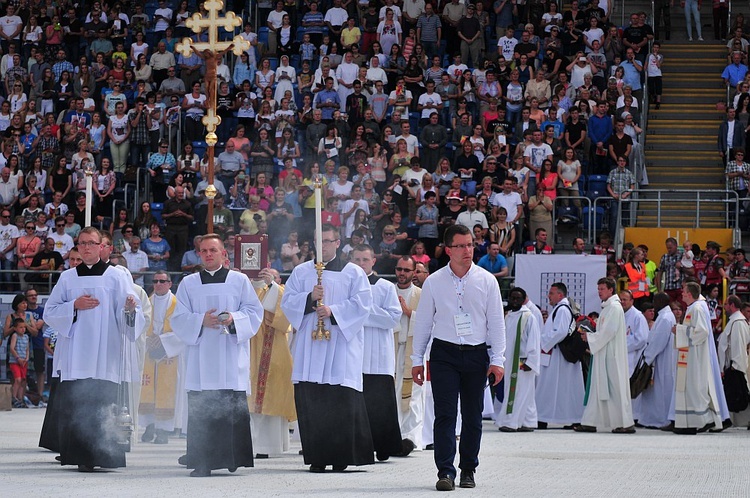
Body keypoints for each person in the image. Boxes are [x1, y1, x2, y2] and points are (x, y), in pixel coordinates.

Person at [411, 224, 505, 491]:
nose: (468, 250)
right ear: (448, 249)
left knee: (473, 415)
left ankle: (468, 469)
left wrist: (498, 359)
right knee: (445, 415)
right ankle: (445, 471)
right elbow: (423, 323)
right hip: (444, 353)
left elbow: (496, 323)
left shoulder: (487, 280)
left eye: (470, 244)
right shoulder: (434, 282)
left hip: (476, 353)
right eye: (462, 245)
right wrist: (417, 359)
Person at [43, 227, 144, 472]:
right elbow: (50, 313)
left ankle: (105, 455)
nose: (86, 247)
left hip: (106, 353)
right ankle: (79, 456)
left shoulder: (116, 276)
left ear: (102, 247)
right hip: (75, 353)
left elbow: (131, 314)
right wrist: (74, 306)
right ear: (77, 247)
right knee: (77, 403)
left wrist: (131, 310)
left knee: (103, 403)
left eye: (91, 243)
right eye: (82, 243)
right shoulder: (67, 278)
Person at [280, 223, 374, 473]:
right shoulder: (301, 272)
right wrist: (310, 298)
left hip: (341, 345)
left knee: (339, 399)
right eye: (318, 242)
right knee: (314, 399)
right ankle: (318, 457)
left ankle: (341, 456)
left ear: (337, 243)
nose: (323, 247)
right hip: (311, 346)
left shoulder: (354, 273)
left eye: (328, 241)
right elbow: (287, 303)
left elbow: (363, 305)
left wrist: (334, 311)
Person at [171, 234, 263, 477]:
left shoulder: (239, 280)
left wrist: (234, 319)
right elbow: (178, 318)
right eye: (204, 251)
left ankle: (231, 457)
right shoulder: (188, 283)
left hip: (230, 353)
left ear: (224, 254)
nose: (208, 254)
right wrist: (201, 320)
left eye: (213, 250)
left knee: (231, 405)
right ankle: (203, 461)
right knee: (202, 408)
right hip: (201, 357)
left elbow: (254, 312)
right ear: (199, 254)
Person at [350, 245, 404, 460]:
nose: (361, 263)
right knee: (357, 404)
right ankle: (360, 446)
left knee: (380, 403)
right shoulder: (348, 286)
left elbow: (393, 318)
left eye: (365, 259)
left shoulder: (385, 287)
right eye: (357, 259)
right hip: (355, 353)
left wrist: (363, 311)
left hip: (379, 353)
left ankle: (384, 447)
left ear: (373, 261)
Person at [576, 277, 635, 434]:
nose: (599, 292)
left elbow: (609, 332)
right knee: (598, 387)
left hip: (612, 356)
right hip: (604, 353)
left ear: (611, 290)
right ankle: (590, 421)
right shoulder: (607, 308)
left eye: (602, 289)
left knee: (615, 389)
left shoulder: (614, 308)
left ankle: (625, 423)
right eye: (598, 289)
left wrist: (590, 337)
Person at [248, 268, 296, 458]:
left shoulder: (281, 291)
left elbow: (286, 320)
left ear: (278, 278)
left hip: (274, 350)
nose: (264, 276)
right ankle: (250, 444)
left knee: (272, 396)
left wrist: (272, 286)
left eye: (271, 275)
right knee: (249, 398)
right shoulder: (247, 288)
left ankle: (269, 446)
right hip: (250, 351)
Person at [138, 270, 184, 445]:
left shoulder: (177, 304)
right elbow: (141, 323)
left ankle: (163, 430)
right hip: (150, 350)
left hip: (169, 353)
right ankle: (149, 425)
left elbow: (182, 327)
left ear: (170, 284)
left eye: (162, 281)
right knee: (149, 386)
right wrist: (149, 339)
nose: (158, 284)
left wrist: (163, 340)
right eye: (155, 281)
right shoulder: (147, 302)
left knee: (167, 389)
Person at [673, 281, 723, 434]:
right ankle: (690, 423)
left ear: (689, 293)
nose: (681, 293)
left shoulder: (698, 308)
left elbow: (702, 332)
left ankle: (702, 421)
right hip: (690, 355)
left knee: (696, 388)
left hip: (696, 357)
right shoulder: (694, 307)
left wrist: (679, 330)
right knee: (691, 388)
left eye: (684, 291)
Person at [536, 282, 584, 428]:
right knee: (565, 387)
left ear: (560, 295)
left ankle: (545, 417)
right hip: (558, 353)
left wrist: (543, 343)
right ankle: (567, 417)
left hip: (558, 355)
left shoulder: (562, 309)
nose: (548, 296)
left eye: (551, 293)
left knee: (556, 386)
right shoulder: (561, 308)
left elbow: (561, 331)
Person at [494, 287, 541, 432]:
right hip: (510, 361)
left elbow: (534, 340)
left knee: (517, 392)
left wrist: (530, 362)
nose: (514, 301)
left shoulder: (528, 317)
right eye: (512, 298)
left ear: (523, 300)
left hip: (522, 362)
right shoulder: (508, 316)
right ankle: (528, 421)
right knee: (525, 393)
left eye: (518, 299)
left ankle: (510, 422)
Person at [392, 255, 424, 450]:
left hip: (414, 351)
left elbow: (433, 320)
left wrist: (409, 312)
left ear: (414, 272)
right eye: (399, 269)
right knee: (392, 393)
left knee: (413, 396)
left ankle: (411, 438)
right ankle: (394, 435)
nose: (402, 273)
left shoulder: (422, 294)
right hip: (392, 348)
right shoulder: (388, 291)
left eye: (406, 270)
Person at [717, 295, 750, 427]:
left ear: (731, 305)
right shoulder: (735, 321)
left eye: (725, 304)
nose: (724, 307)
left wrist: (735, 366)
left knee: (737, 395)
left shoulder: (737, 323)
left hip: (734, 366)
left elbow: (737, 346)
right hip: (731, 366)